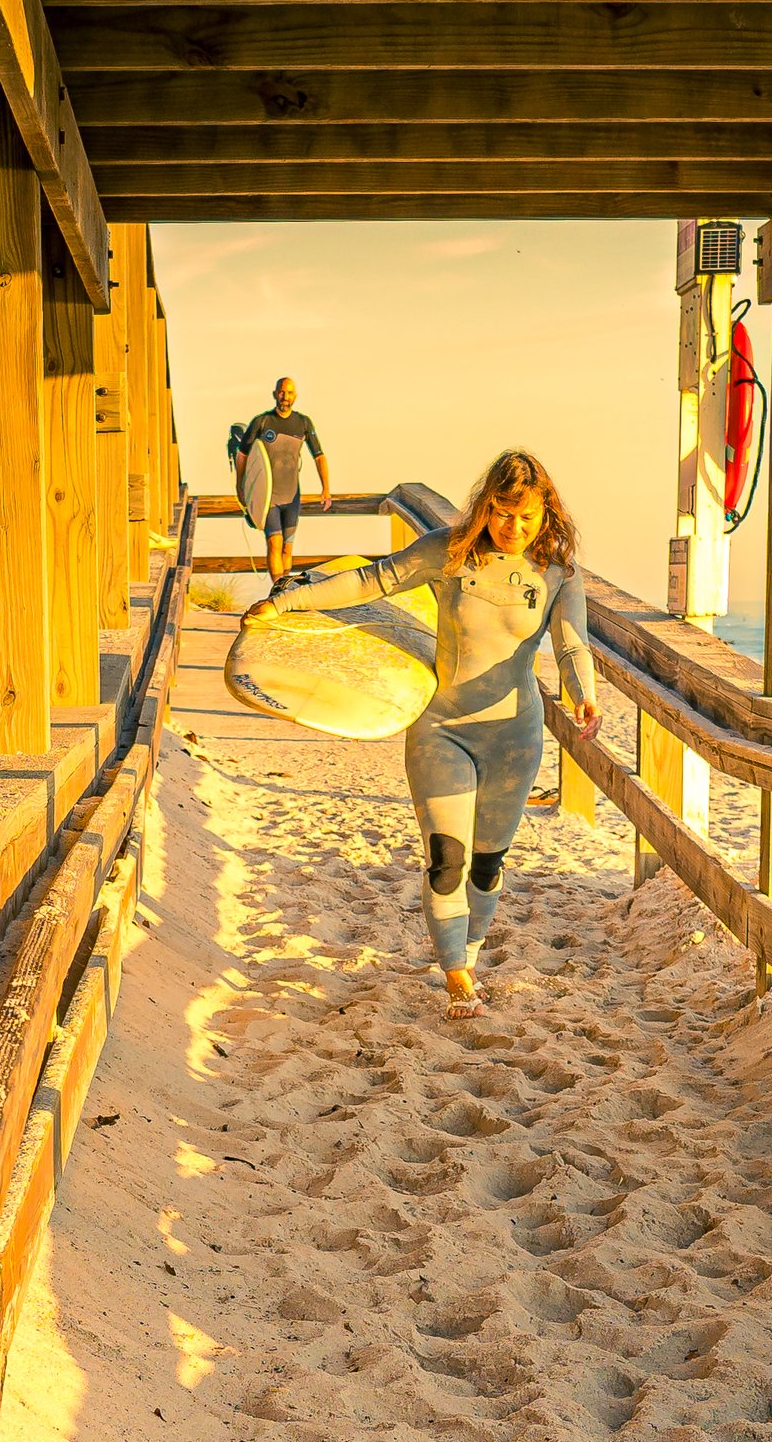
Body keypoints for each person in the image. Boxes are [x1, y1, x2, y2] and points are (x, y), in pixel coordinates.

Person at [245, 449, 601, 1019]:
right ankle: (456, 972)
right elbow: (372, 581)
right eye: (502, 513)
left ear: (545, 516)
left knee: (488, 862)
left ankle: (471, 952)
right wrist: (288, 598)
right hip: (442, 730)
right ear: (485, 507)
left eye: (526, 518)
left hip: (515, 735)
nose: (512, 528)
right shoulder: (448, 551)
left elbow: (572, 645)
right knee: (446, 856)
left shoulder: (557, 571)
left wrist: (583, 692)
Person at [231, 376, 332, 585]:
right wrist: (240, 486)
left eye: (290, 392)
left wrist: (326, 489)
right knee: (274, 543)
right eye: (282, 392)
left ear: (296, 396)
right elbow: (243, 455)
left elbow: (319, 456)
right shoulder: (262, 422)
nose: (285, 397)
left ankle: (285, 586)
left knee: (288, 546)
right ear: (275, 394)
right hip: (269, 497)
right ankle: (277, 588)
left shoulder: (303, 423)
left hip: (292, 496)